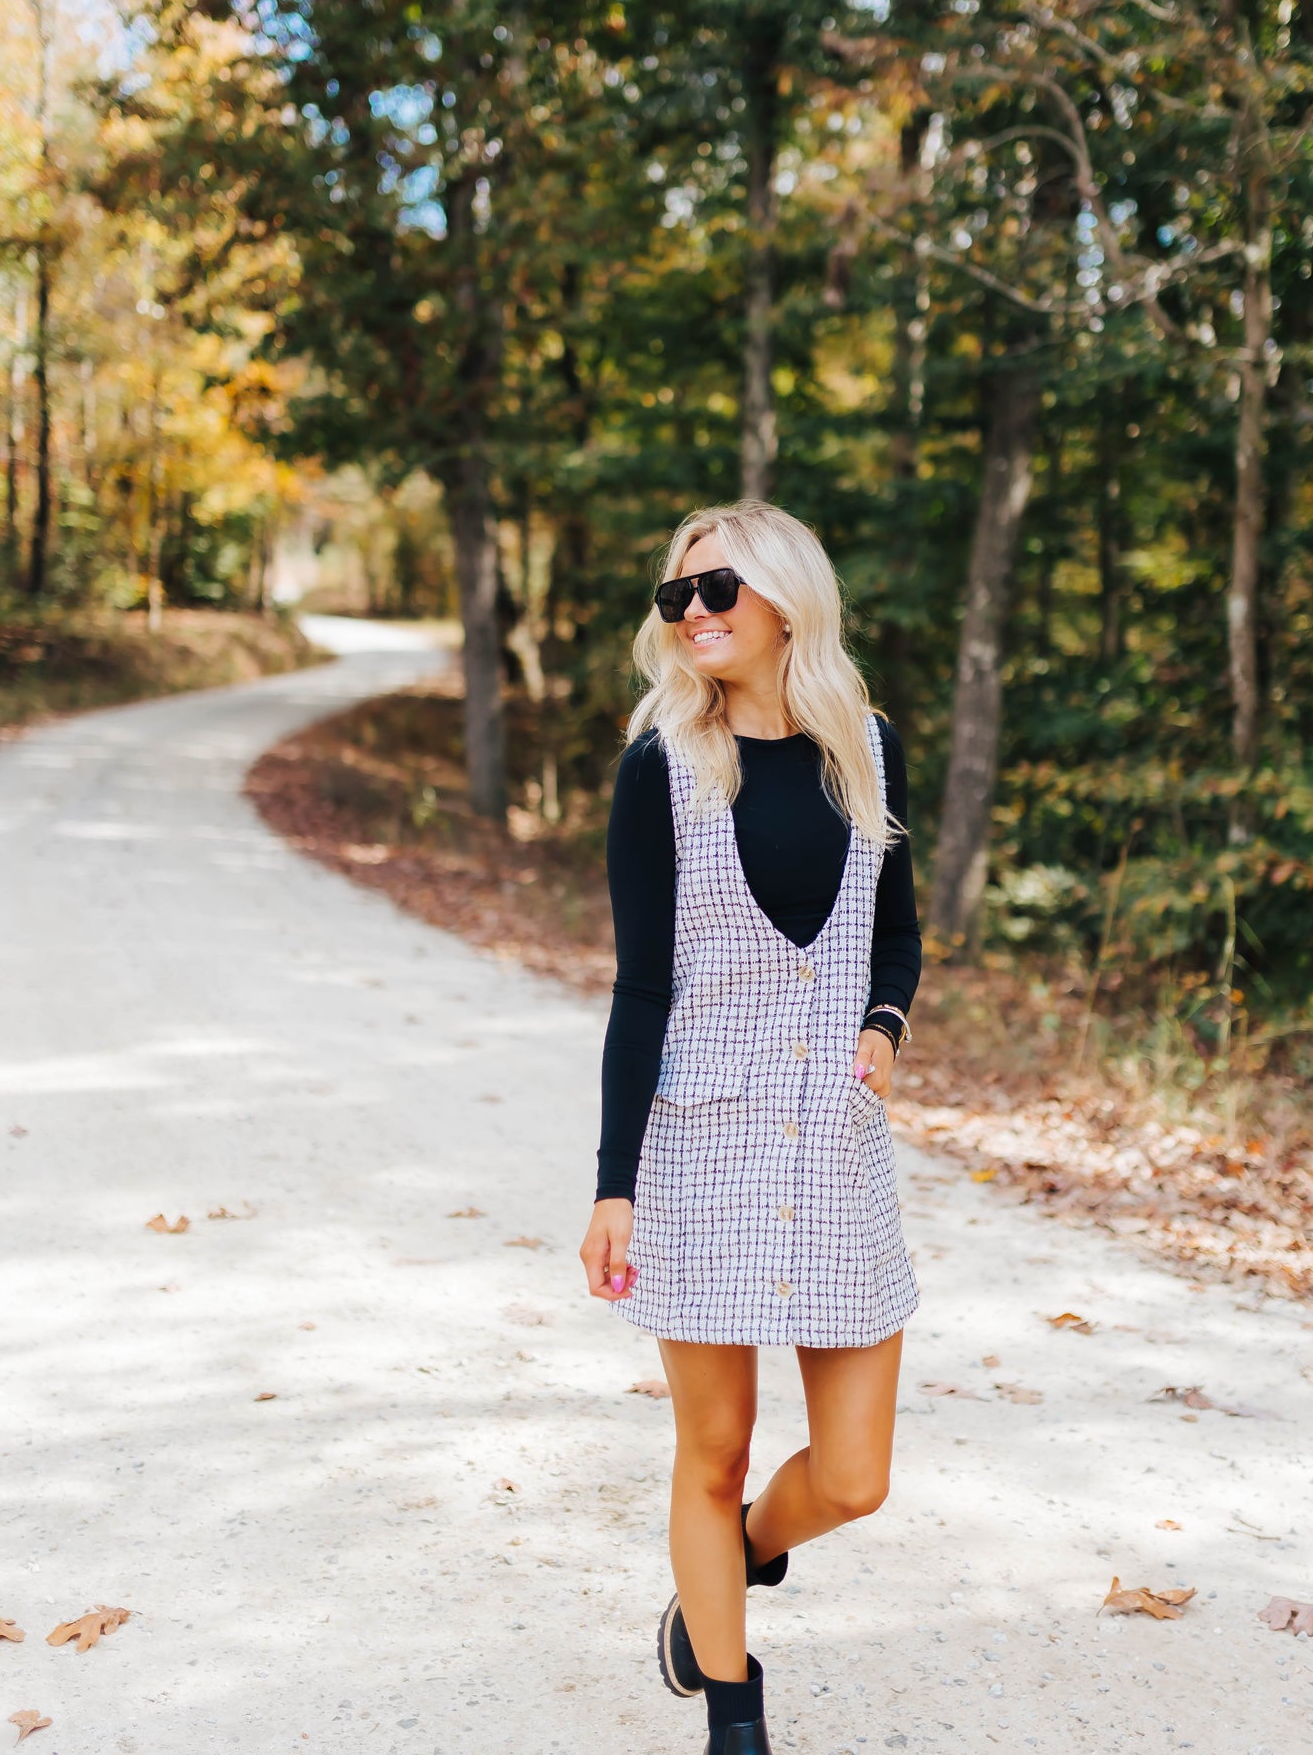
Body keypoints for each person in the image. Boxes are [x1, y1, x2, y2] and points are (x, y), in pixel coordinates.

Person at [579, 500, 922, 1755]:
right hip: (700, 1149)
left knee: (852, 1475)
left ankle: (730, 1561)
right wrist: (613, 1184)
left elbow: (895, 927)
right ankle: (731, 1704)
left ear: (786, 597)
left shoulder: (868, 750)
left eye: (716, 588)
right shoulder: (657, 768)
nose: (695, 615)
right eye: (675, 599)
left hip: (833, 1148)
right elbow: (639, 990)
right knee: (711, 1446)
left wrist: (880, 1022)